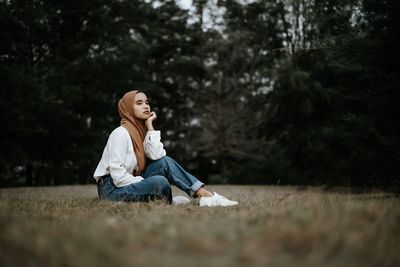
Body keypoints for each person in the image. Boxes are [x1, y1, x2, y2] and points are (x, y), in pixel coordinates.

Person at [93, 90, 238, 207]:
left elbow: (157, 156)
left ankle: (206, 196)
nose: (146, 106)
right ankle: (168, 200)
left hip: (129, 181)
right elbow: (118, 176)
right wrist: (143, 181)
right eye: (139, 103)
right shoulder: (120, 134)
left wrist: (150, 125)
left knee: (165, 162)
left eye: (147, 102)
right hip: (112, 189)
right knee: (160, 182)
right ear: (128, 108)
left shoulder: (140, 132)